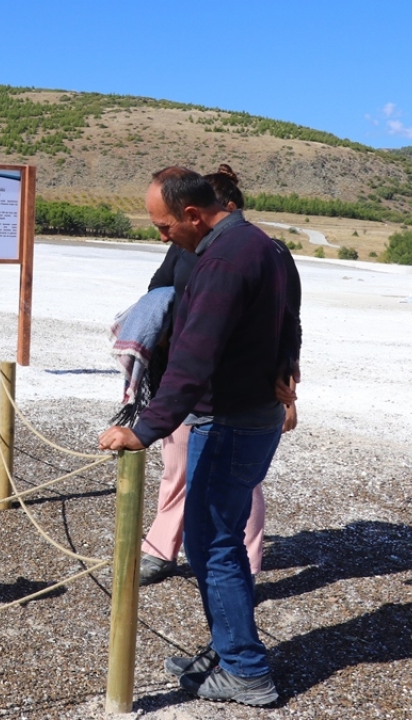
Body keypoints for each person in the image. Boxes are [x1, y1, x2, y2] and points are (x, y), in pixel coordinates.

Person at [99, 167, 298, 707]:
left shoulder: (225, 260)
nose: (162, 236)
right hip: (245, 414)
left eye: (164, 226)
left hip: (230, 420)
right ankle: (229, 650)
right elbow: (286, 321)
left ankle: (246, 671)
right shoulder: (256, 243)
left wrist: (143, 429)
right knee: (216, 539)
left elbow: (193, 356)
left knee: (214, 544)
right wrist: (286, 364)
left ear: (192, 214)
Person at [134, 165, 302, 586]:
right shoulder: (184, 247)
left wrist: (287, 374)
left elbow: (288, 319)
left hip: (233, 395)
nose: (165, 235)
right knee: (176, 469)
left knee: (238, 488)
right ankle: (162, 549)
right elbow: (157, 293)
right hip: (181, 382)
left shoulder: (265, 251)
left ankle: (243, 567)